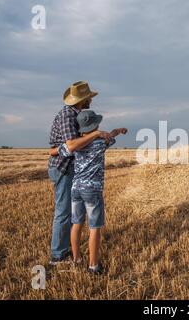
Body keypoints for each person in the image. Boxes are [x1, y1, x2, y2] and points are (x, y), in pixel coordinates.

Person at [50, 110, 127, 274]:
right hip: (92, 190)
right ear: (96, 125)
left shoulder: (76, 145)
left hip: (76, 188)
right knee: (94, 228)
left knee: (76, 225)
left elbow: (54, 151)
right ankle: (93, 265)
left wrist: (55, 149)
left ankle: (76, 259)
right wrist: (118, 131)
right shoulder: (100, 143)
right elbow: (110, 135)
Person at [48, 81, 112, 265]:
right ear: (82, 100)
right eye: (89, 98)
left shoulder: (75, 114)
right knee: (63, 212)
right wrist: (96, 134)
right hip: (63, 168)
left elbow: (61, 147)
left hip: (73, 172)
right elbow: (71, 145)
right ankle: (59, 256)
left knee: (73, 216)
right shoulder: (68, 116)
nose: (91, 100)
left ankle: (72, 253)